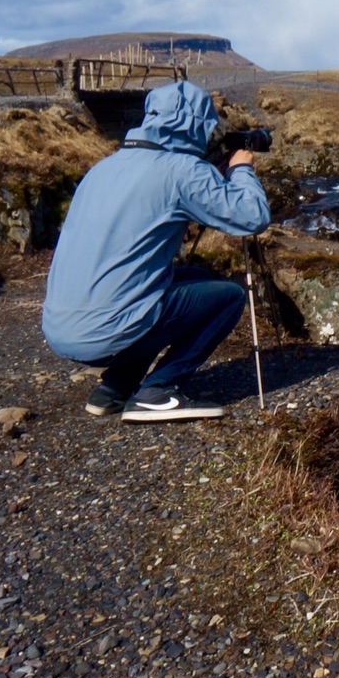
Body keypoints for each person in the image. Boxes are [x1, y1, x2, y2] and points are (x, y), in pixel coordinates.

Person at [42, 80, 270, 422]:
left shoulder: (103, 168)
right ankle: (157, 391)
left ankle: (114, 388)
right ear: (195, 125)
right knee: (229, 296)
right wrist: (240, 170)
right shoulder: (181, 170)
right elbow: (252, 217)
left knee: (194, 278)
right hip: (106, 330)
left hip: (61, 328)